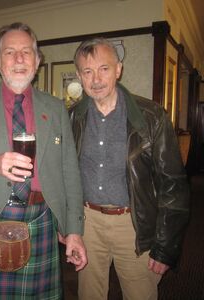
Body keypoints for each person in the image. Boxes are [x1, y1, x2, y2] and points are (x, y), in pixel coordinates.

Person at [0, 22, 87, 299]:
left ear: (37, 61)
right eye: (9, 52)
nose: (18, 59)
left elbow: (70, 173)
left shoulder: (55, 108)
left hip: (42, 221)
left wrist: (73, 230)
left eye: (27, 52)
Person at [69, 37, 190, 300]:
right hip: (87, 222)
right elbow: (65, 175)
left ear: (119, 69)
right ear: (79, 75)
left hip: (134, 224)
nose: (96, 79)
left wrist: (166, 246)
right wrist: (68, 225)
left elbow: (173, 183)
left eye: (104, 69)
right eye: (87, 71)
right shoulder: (71, 117)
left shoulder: (151, 116)